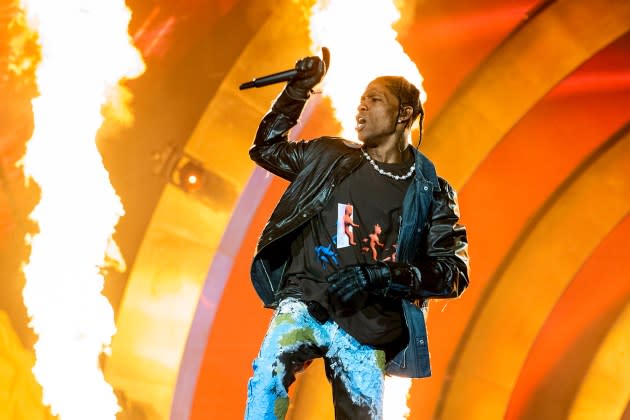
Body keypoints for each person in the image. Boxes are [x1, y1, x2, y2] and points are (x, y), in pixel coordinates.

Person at [244, 53, 469, 420]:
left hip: (367, 326)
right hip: (307, 301)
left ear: (404, 115)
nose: (361, 106)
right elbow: (267, 148)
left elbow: (452, 271)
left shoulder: (431, 192)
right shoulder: (329, 156)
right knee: (268, 380)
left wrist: (383, 276)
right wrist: (298, 90)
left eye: (375, 99)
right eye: (361, 99)